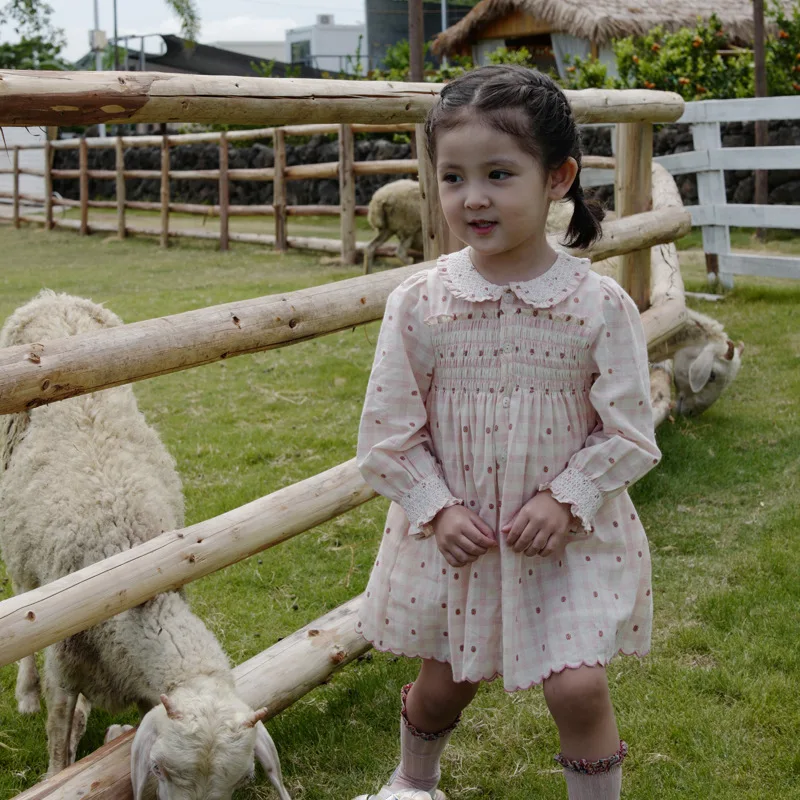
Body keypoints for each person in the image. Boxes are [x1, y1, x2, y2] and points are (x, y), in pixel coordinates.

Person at [353, 65, 661, 800]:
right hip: (456, 541)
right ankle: (412, 784)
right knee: (442, 686)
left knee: (578, 690)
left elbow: (630, 430)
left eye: (498, 173)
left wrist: (567, 498)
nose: (473, 197)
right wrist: (436, 506)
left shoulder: (596, 306)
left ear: (557, 177)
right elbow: (387, 433)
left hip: (565, 540)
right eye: (453, 177)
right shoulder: (421, 304)